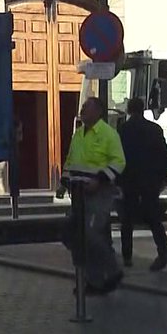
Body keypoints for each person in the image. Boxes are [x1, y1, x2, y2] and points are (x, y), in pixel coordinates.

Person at [63, 97, 127, 295]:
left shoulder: (109, 134)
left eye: (86, 107)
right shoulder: (79, 134)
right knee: (73, 234)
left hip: (99, 193)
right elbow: (71, 160)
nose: (82, 110)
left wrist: (100, 179)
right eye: (82, 107)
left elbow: (119, 162)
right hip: (78, 193)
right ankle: (92, 279)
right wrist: (64, 181)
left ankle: (111, 271)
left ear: (98, 112)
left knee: (90, 234)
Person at [116, 98, 167, 271]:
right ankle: (163, 249)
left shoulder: (123, 130)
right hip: (150, 181)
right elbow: (164, 156)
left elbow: (118, 157)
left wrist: (118, 181)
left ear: (129, 110)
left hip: (129, 180)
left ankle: (127, 256)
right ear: (143, 110)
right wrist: (161, 178)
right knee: (153, 218)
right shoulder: (154, 129)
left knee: (127, 219)